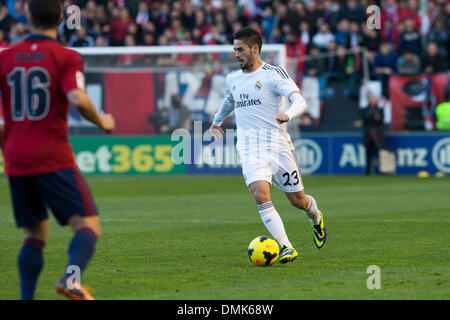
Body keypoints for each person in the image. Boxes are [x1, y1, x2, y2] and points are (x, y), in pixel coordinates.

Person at [0, 0, 115, 300]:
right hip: (52, 155)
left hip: (15, 158)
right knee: (87, 226)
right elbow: (76, 97)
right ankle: (71, 278)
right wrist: (101, 120)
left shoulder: (6, 57)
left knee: (34, 235)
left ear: (27, 15)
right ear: (63, 17)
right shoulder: (65, 56)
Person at [209, 27, 327, 264]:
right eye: (234, 49)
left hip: (278, 147)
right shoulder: (232, 79)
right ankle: (286, 246)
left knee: (298, 201)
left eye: (240, 49)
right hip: (250, 149)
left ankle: (315, 217)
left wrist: (289, 115)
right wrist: (216, 122)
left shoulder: (273, 74)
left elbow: (299, 100)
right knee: (260, 195)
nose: (236, 54)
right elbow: (229, 101)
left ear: (255, 49)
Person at [360, 92, 385, 175]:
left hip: (377, 136)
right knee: (368, 155)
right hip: (368, 136)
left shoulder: (380, 109)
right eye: (371, 98)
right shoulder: (365, 109)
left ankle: (382, 171)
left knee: (380, 154)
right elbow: (365, 119)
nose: (373, 99)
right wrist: (373, 117)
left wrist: (373, 117)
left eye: (374, 98)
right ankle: (368, 171)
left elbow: (379, 120)